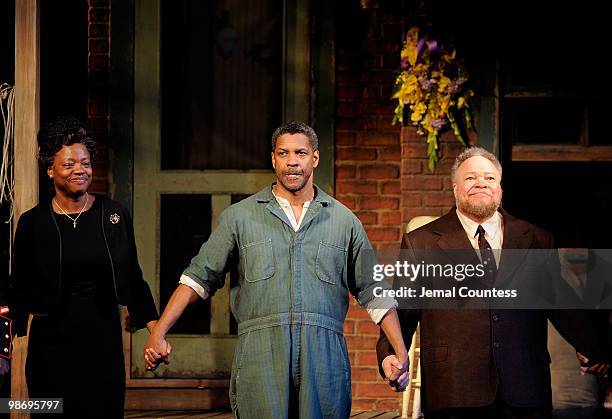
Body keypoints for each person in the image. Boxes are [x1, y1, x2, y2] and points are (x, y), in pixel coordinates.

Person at [145, 121, 408, 418]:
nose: (292, 161)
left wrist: (400, 350)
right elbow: (197, 277)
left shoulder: (344, 221)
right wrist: (160, 331)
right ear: (273, 159)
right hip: (260, 355)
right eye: (283, 153)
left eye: (301, 153)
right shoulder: (240, 218)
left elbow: (374, 291)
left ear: (315, 158)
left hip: (323, 358)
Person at [377, 147, 609, 419]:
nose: (481, 183)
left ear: (499, 188)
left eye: (489, 178)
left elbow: (562, 304)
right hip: (453, 388)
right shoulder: (421, 243)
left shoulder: (535, 239)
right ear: (455, 188)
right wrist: (390, 355)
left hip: (525, 386)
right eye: (470, 178)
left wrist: (595, 350)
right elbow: (402, 310)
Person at [10, 116, 159, 418]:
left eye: (86, 163)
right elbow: (18, 286)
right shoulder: (32, 223)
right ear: (50, 169)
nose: (80, 170)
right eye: (68, 165)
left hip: (102, 340)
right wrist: (7, 337)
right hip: (50, 344)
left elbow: (133, 276)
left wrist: (156, 331)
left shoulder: (114, 215)